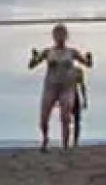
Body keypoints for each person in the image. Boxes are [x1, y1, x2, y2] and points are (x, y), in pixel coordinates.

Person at [29, 23, 93, 151]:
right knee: (43, 117)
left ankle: (65, 144)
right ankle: (45, 138)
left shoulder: (72, 52)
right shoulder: (48, 52)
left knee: (65, 116)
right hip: (51, 87)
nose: (60, 37)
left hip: (67, 87)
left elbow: (87, 64)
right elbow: (32, 65)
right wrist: (34, 57)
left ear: (66, 36)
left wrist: (88, 58)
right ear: (53, 36)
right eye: (57, 34)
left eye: (62, 34)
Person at [72, 64, 89, 144]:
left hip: (74, 96)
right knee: (68, 119)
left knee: (77, 119)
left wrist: (85, 99)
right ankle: (71, 139)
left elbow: (82, 85)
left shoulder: (78, 70)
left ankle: (75, 141)